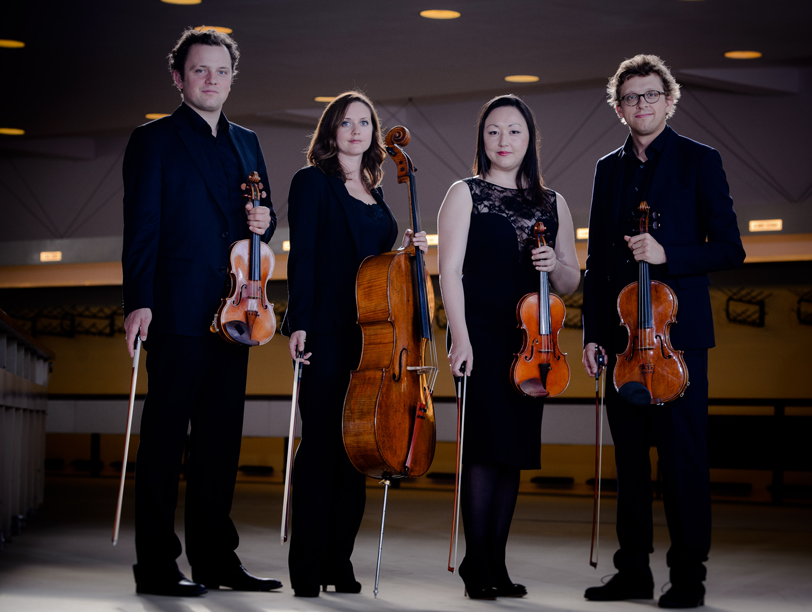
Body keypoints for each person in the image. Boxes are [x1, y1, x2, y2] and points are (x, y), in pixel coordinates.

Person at [121, 29, 283, 596]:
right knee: (165, 440)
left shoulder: (247, 142)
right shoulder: (154, 140)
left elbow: (261, 222)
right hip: (175, 309)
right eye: (199, 70)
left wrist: (267, 224)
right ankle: (158, 566)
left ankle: (216, 560)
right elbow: (142, 227)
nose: (211, 80)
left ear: (232, 77)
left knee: (220, 442)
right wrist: (138, 300)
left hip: (237, 314)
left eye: (220, 71)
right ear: (178, 77)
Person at [581, 55, 745, 608]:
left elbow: (730, 248)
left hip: (678, 343)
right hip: (625, 342)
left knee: (683, 464)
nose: (641, 105)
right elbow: (599, 261)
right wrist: (593, 334)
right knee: (631, 467)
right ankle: (633, 573)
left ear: (669, 101)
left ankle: (688, 577)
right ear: (619, 107)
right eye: (630, 97)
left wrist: (668, 254)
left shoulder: (701, 161)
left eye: (651, 95)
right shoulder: (609, 169)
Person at [284, 91, 428, 598]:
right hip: (326, 330)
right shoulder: (312, 183)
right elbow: (302, 255)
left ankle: (338, 563)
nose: (356, 130)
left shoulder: (377, 192)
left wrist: (408, 252)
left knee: (358, 450)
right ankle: (306, 565)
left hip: (375, 338)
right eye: (346, 122)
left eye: (365, 122)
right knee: (322, 445)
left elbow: (377, 265)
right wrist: (297, 321)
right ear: (330, 131)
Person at [438, 94, 580, 599]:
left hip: (533, 343)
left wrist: (553, 266)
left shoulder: (553, 202)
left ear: (529, 139)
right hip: (483, 338)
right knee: (482, 450)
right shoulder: (465, 193)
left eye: (514, 131)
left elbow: (570, 279)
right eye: (493, 131)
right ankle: (477, 566)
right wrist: (460, 338)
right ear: (483, 139)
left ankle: (496, 564)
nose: (503, 141)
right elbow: (449, 273)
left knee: (514, 453)